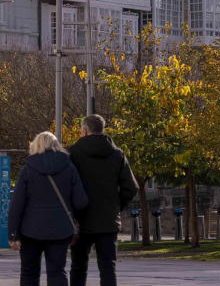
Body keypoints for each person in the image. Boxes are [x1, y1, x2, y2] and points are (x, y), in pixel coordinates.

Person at [67, 114, 139, 286]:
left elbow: (65, 186)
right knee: (108, 267)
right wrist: (116, 206)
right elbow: (131, 187)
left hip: (80, 220)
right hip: (108, 220)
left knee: (78, 267)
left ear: (84, 130)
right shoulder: (117, 154)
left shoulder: (72, 153)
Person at [9, 131, 88, 286]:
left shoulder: (27, 170)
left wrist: (13, 233)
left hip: (29, 230)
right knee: (57, 271)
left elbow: (17, 204)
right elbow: (81, 201)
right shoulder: (69, 168)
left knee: (29, 272)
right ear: (56, 146)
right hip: (60, 229)